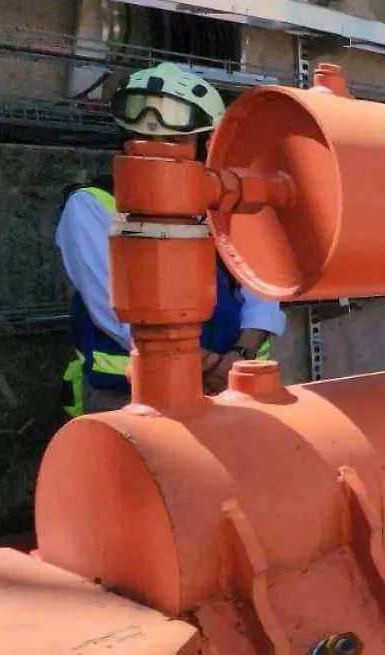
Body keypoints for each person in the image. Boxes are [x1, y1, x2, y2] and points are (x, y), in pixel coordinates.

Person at [57, 63, 284, 417]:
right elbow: (114, 311)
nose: (159, 153)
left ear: (205, 145)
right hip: (131, 395)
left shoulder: (222, 203)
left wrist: (239, 357)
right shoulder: (93, 205)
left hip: (235, 383)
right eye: (145, 140)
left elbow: (262, 293)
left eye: (177, 141)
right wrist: (206, 365)